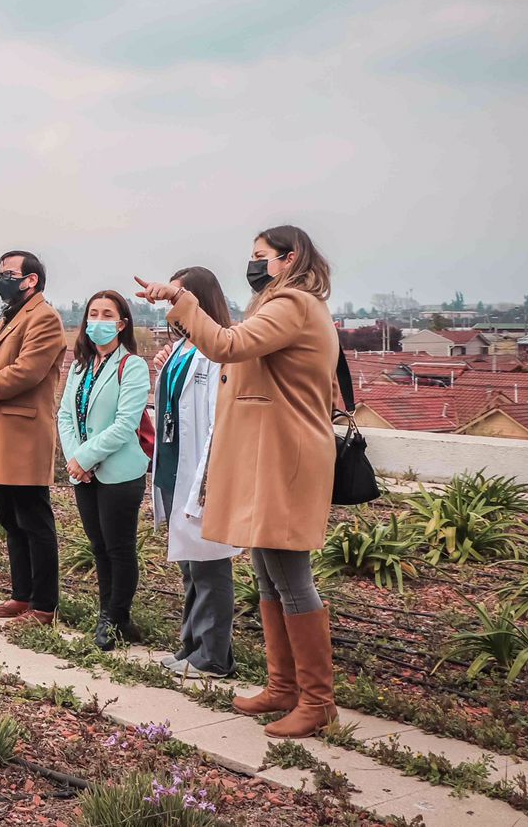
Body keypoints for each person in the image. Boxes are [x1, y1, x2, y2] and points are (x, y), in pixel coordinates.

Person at [136, 225, 340, 738]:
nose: (252, 264)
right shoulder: (279, 302)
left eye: (260, 256)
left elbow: (229, 346)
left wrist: (183, 301)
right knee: (267, 570)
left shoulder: (292, 303)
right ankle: (282, 686)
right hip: (266, 454)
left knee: (291, 576)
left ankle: (317, 700)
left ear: (289, 258)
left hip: (284, 454)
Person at [0, 250, 66, 629]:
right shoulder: (9, 317)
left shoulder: (45, 319)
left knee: (34, 520)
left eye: (8, 273)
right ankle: (21, 595)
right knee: (11, 519)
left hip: (22, 435)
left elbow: (24, 373)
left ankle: (44, 605)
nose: (1, 279)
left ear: (31, 279)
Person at [149, 268, 243, 678]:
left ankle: (213, 655)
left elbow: (217, 418)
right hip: (175, 466)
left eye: (178, 297)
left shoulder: (219, 349)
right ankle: (192, 645)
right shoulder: (185, 348)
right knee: (190, 564)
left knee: (209, 564)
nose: (173, 307)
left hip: (202, 470)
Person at [58, 290, 151, 650]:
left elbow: (126, 423)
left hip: (119, 472)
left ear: (122, 323)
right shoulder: (80, 366)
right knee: (99, 546)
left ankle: (114, 617)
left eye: (106, 314)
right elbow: (66, 415)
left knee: (119, 547)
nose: (98, 321)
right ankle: (111, 615)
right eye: (92, 314)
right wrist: (76, 460)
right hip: (84, 473)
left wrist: (87, 458)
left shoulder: (132, 366)